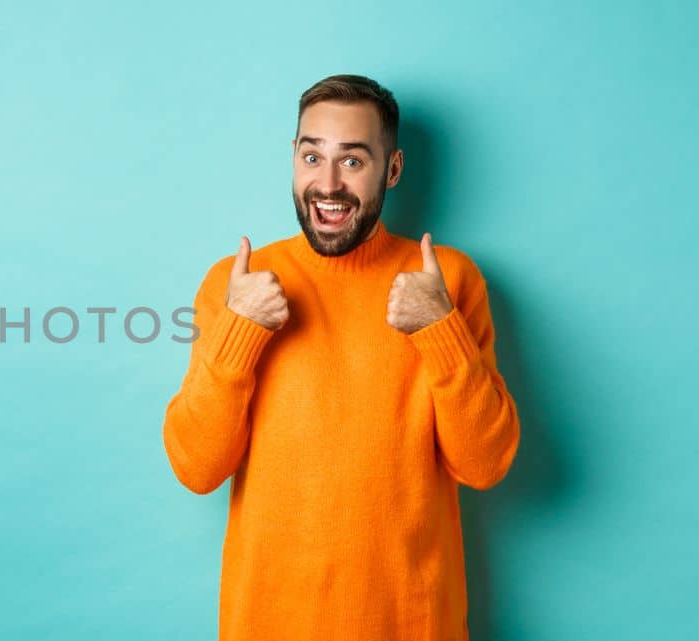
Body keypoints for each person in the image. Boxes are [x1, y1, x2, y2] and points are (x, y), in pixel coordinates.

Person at [161, 74, 521, 640]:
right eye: (312, 156)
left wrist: (440, 330)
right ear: (293, 159)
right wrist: (240, 332)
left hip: (413, 624)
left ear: (393, 169)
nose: (327, 184)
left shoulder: (447, 281)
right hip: (269, 624)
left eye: (352, 161)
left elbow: (485, 465)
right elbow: (197, 468)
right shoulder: (238, 285)